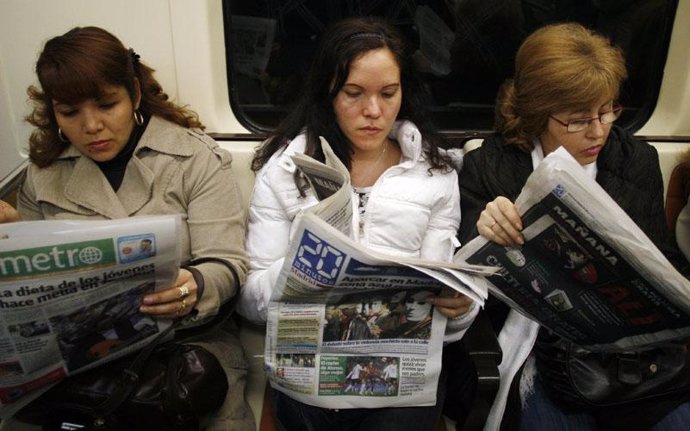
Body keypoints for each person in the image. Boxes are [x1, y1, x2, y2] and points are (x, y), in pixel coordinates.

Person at [0, 26, 254, 430]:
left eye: (106, 105)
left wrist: (193, 286)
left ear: (134, 94)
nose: (92, 126)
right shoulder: (42, 176)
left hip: (181, 352)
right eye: (70, 113)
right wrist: (11, 242)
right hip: (75, 363)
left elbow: (228, 265)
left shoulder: (193, 159)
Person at [237, 16, 476, 431]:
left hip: (400, 374)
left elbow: (444, 306)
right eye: (354, 93)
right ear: (327, 92)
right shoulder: (284, 171)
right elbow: (251, 302)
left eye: (388, 94)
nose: (373, 112)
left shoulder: (435, 176)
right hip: (309, 369)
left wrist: (460, 309)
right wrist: (301, 262)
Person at [458, 22, 690, 431]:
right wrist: (484, 231)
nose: (598, 130)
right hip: (539, 353)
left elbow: (663, 260)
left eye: (608, 110)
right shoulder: (489, 167)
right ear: (537, 115)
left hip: (628, 358)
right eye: (578, 119)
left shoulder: (635, 161)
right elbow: (465, 285)